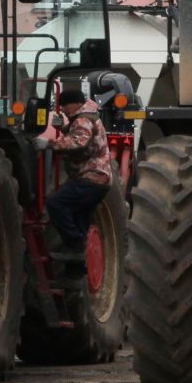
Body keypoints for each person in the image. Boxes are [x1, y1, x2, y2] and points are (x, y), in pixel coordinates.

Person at [36, 85, 114, 277]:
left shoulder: (84, 119)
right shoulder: (85, 118)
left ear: (77, 103)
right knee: (79, 221)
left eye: (65, 105)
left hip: (90, 178)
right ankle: (76, 272)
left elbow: (79, 141)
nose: (62, 109)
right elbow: (81, 135)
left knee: (56, 203)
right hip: (99, 180)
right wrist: (63, 127)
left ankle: (75, 246)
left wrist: (49, 143)